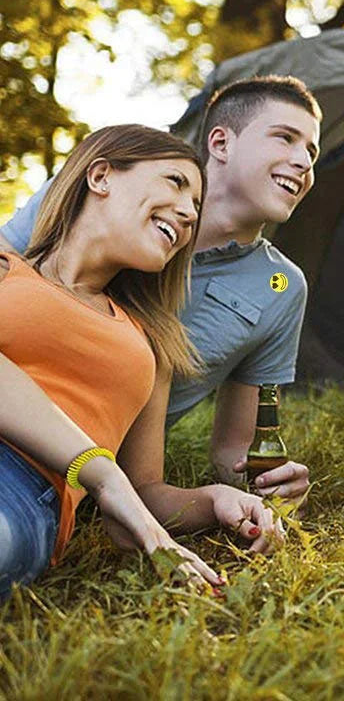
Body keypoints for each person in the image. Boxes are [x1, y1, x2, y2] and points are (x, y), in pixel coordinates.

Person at [0, 75, 321, 501]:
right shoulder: (98, 197)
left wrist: (264, 482)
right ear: (221, 143)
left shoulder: (279, 286)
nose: (304, 162)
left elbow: (234, 449)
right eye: (286, 138)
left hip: (74, 477)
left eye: (312, 152)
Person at [0, 124, 282, 601]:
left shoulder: (148, 343)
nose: (190, 213)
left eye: (196, 206)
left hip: (23, 488)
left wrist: (215, 499)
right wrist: (102, 475)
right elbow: (119, 486)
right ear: (102, 175)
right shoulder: (6, 268)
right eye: (176, 182)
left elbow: (144, 489)